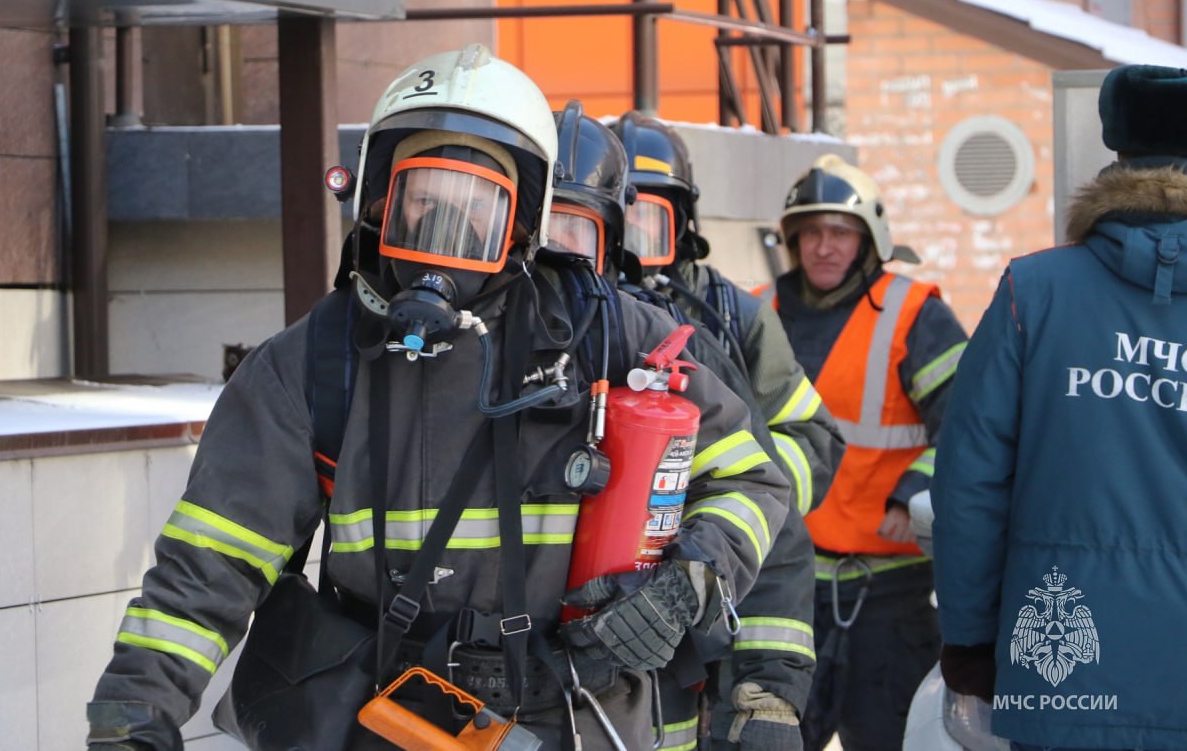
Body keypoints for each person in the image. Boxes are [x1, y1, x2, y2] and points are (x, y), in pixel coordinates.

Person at [85, 44, 790, 750]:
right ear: (379, 197)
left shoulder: (615, 337)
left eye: (477, 207)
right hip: (388, 716)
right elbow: (208, 564)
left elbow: (750, 477)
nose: (440, 236)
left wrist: (692, 578)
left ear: (524, 222)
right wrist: (133, 715)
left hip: (576, 718)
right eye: (424, 197)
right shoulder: (315, 364)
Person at [932, 64, 1187, 751]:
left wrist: (970, 646)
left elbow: (968, 487)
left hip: (1065, 666)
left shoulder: (1034, 292)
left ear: (1118, 156)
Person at [607, 111, 846, 749]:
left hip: (721, 593)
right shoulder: (558, 324)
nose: (626, 244)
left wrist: (710, 494)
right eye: (610, 217)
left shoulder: (729, 319)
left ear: (684, 224)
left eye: (647, 220)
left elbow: (806, 447)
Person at [755, 153, 968, 751]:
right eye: (812, 232)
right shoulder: (754, 313)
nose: (825, 247)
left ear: (869, 241)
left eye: (841, 233)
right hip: (780, 583)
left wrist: (914, 491)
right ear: (793, 240)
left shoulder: (914, 315)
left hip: (888, 590)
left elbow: (968, 423)